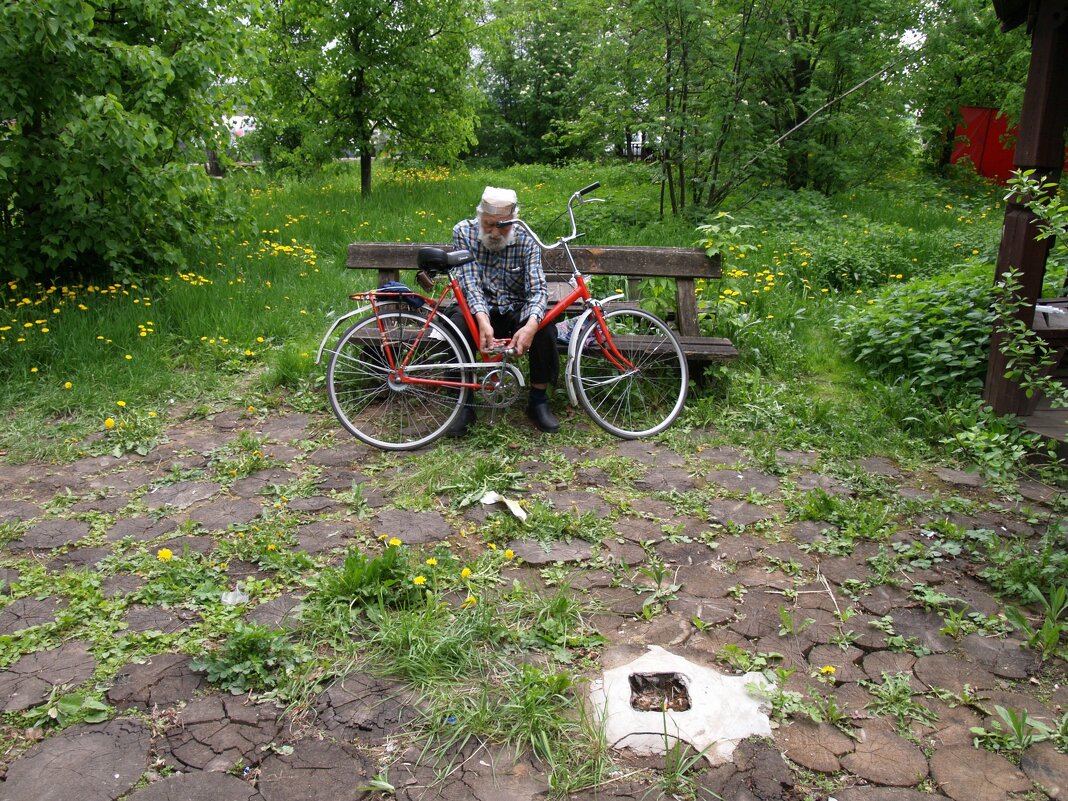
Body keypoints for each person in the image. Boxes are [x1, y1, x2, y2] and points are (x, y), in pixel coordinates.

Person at [446, 186, 560, 436]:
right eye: (488, 224)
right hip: (477, 309)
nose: (495, 232)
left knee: (544, 327)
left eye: (502, 226)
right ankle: (462, 403)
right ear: (479, 217)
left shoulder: (527, 240)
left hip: (514, 309)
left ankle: (538, 400)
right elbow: (469, 282)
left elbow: (538, 290)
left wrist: (530, 326)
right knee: (455, 327)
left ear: (514, 221)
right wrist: (483, 320)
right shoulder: (462, 232)